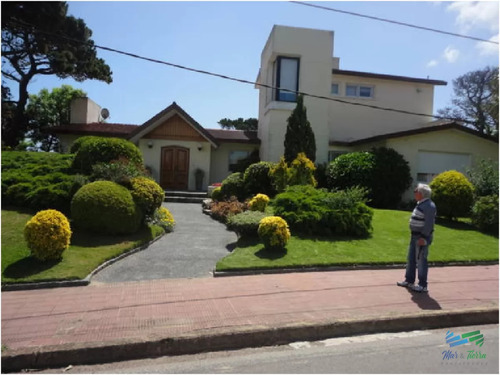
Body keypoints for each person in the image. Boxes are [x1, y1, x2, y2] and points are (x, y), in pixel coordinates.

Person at [397, 183, 437, 293]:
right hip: (414, 236)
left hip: (421, 237)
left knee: (421, 261)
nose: (414, 192)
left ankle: (422, 285)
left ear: (422, 194)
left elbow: (429, 224)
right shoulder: (421, 204)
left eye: (416, 191)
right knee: (411, 259)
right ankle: (409, 280)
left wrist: (423, 237)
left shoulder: (429, 206)